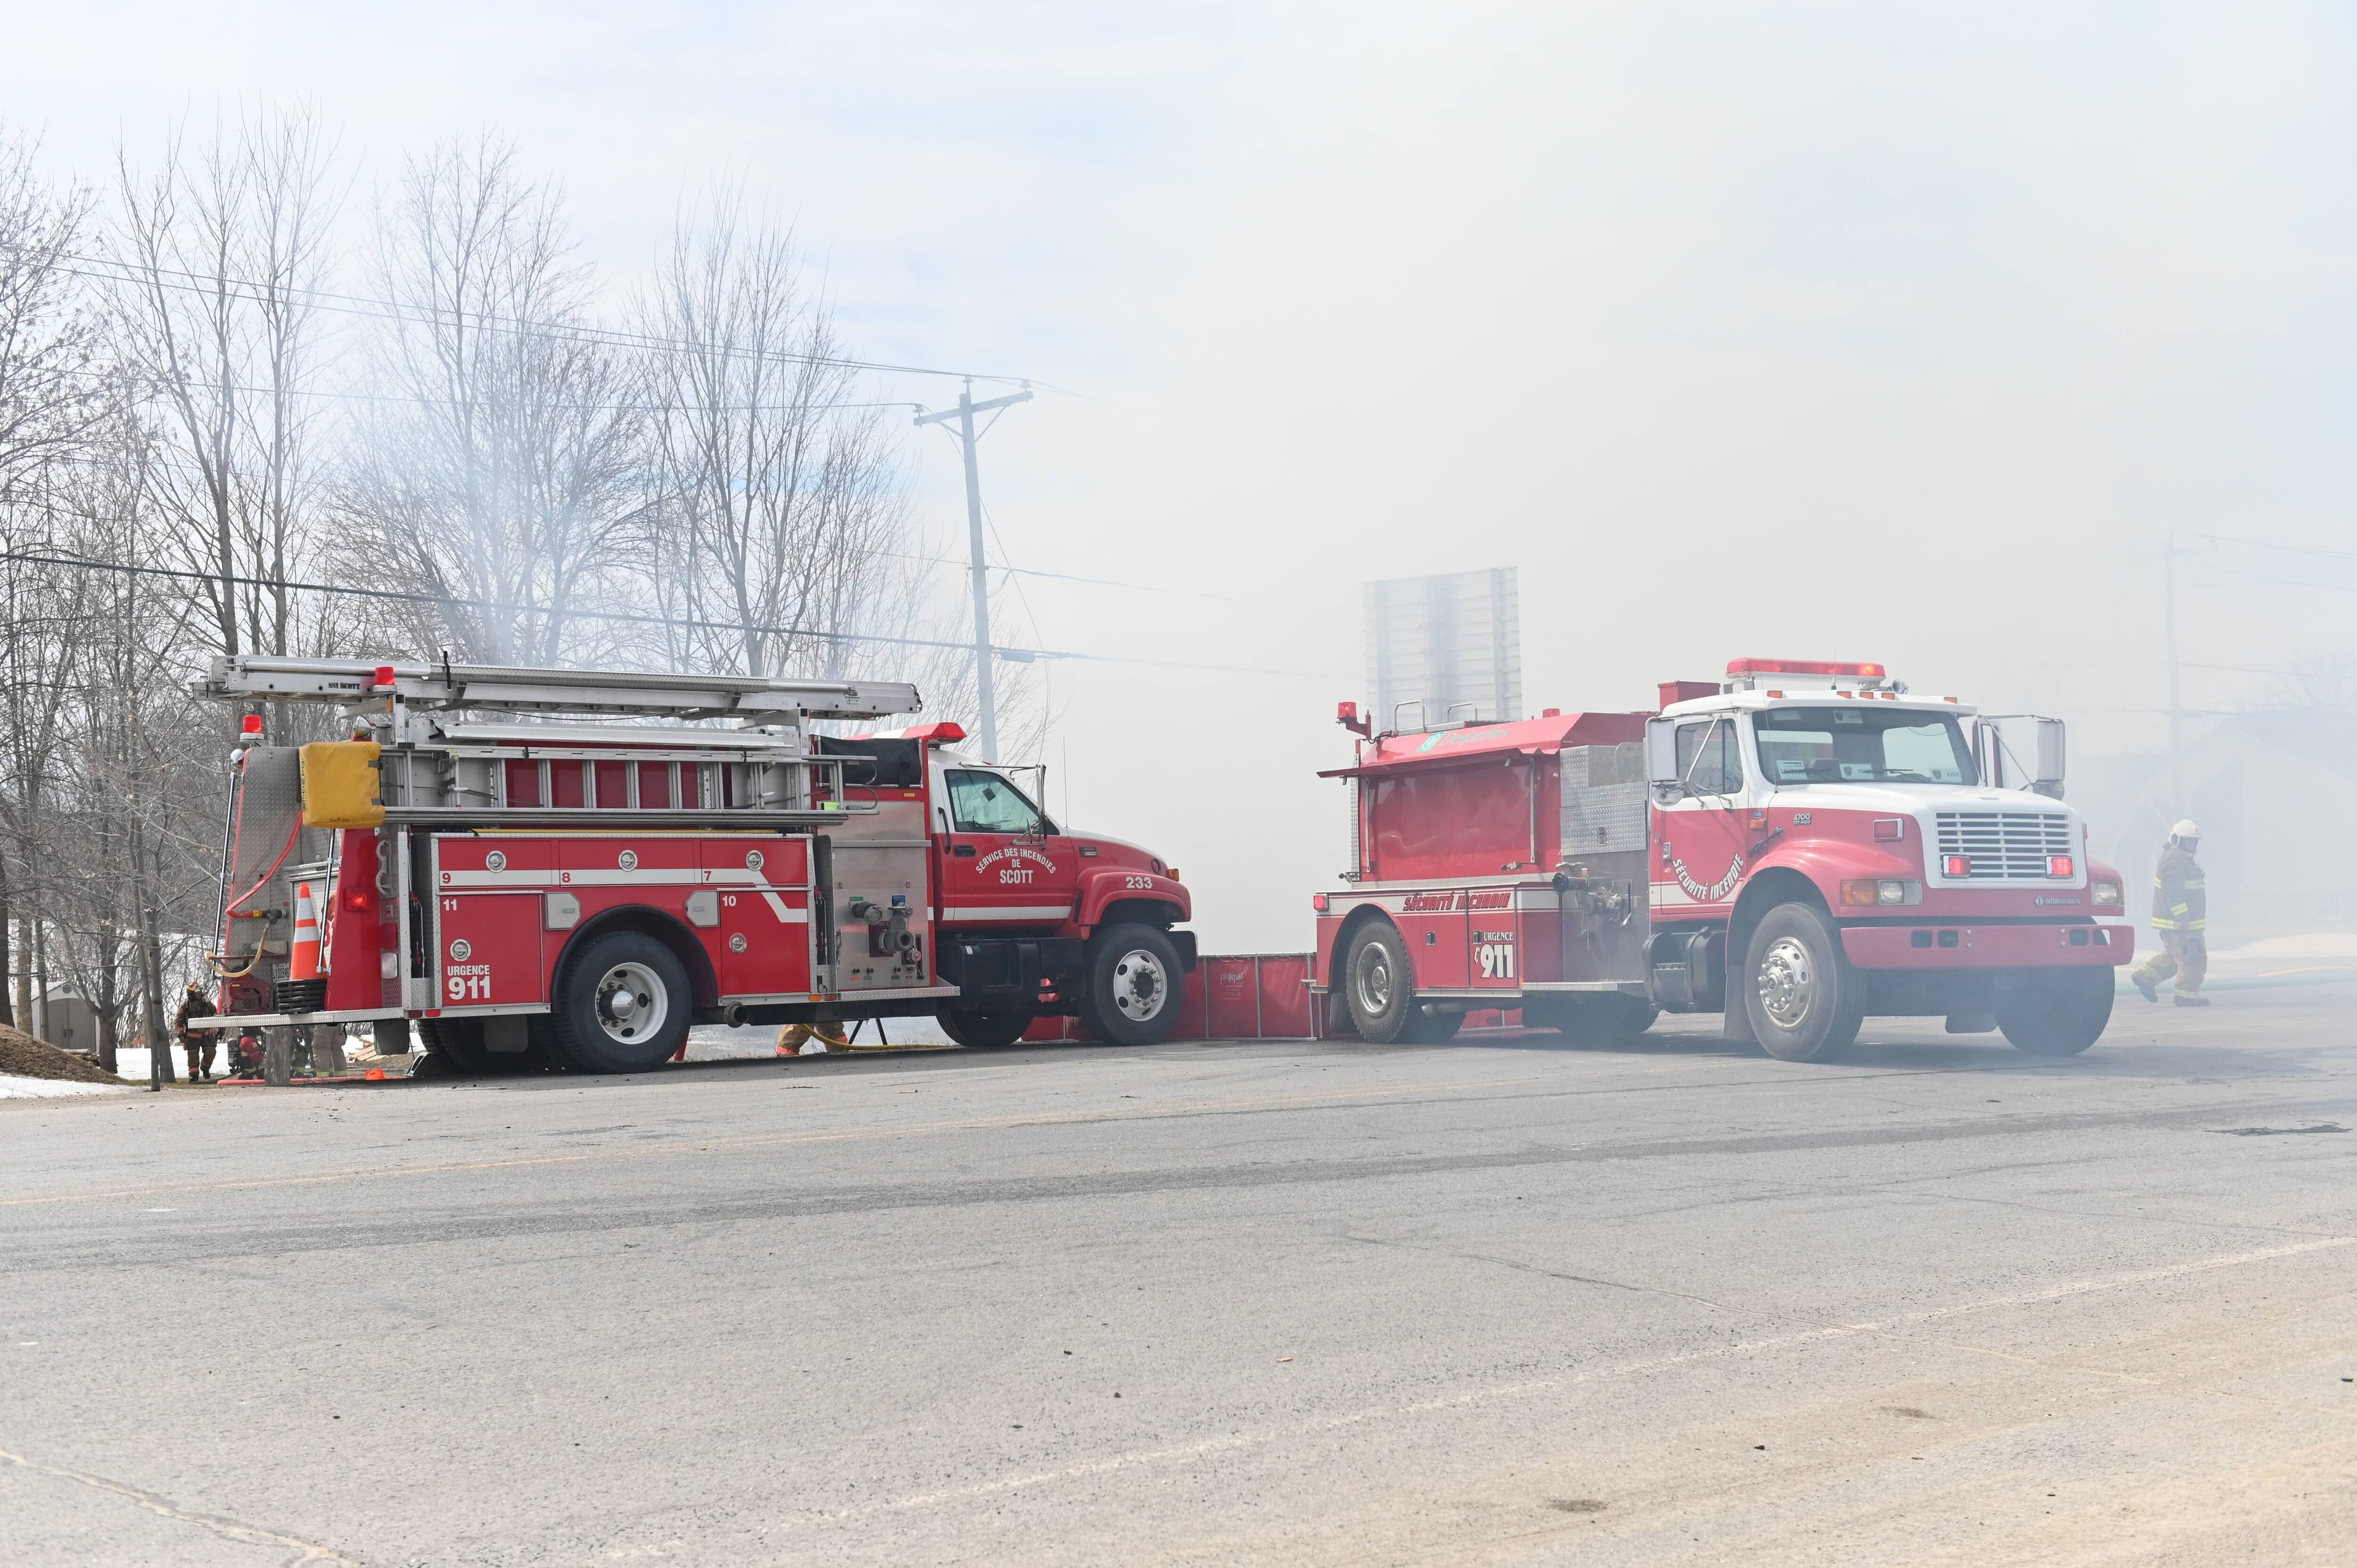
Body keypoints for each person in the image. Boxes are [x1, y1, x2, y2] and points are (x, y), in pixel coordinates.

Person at [2133, 819, 2209, 1007]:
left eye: (2194, 841)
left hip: (2183, 922)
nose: (2192, 845)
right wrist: (2182, 916)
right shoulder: (2174, 858)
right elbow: (2173, 891)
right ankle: (2186, 995)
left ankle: (2146, 976)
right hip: (2181, 923)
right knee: (2193, 957)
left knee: (2177, 956)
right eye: (2188, 841)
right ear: (2177, 840)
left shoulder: (2180, 858)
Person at [172, 982, 219, 1081]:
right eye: (196, 993)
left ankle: (205, 1068)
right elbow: (178, 1021)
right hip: (192, 1037)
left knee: (211, 1052)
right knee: (193, 1058)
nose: (199, 994)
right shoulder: (185, 1006)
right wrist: (181, 1035)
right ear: (191, 994)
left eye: (199, 992)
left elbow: (217, 1016)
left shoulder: (207, 1004)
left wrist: (220, 1031)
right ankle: (194, 1076)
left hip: (207, 1035)